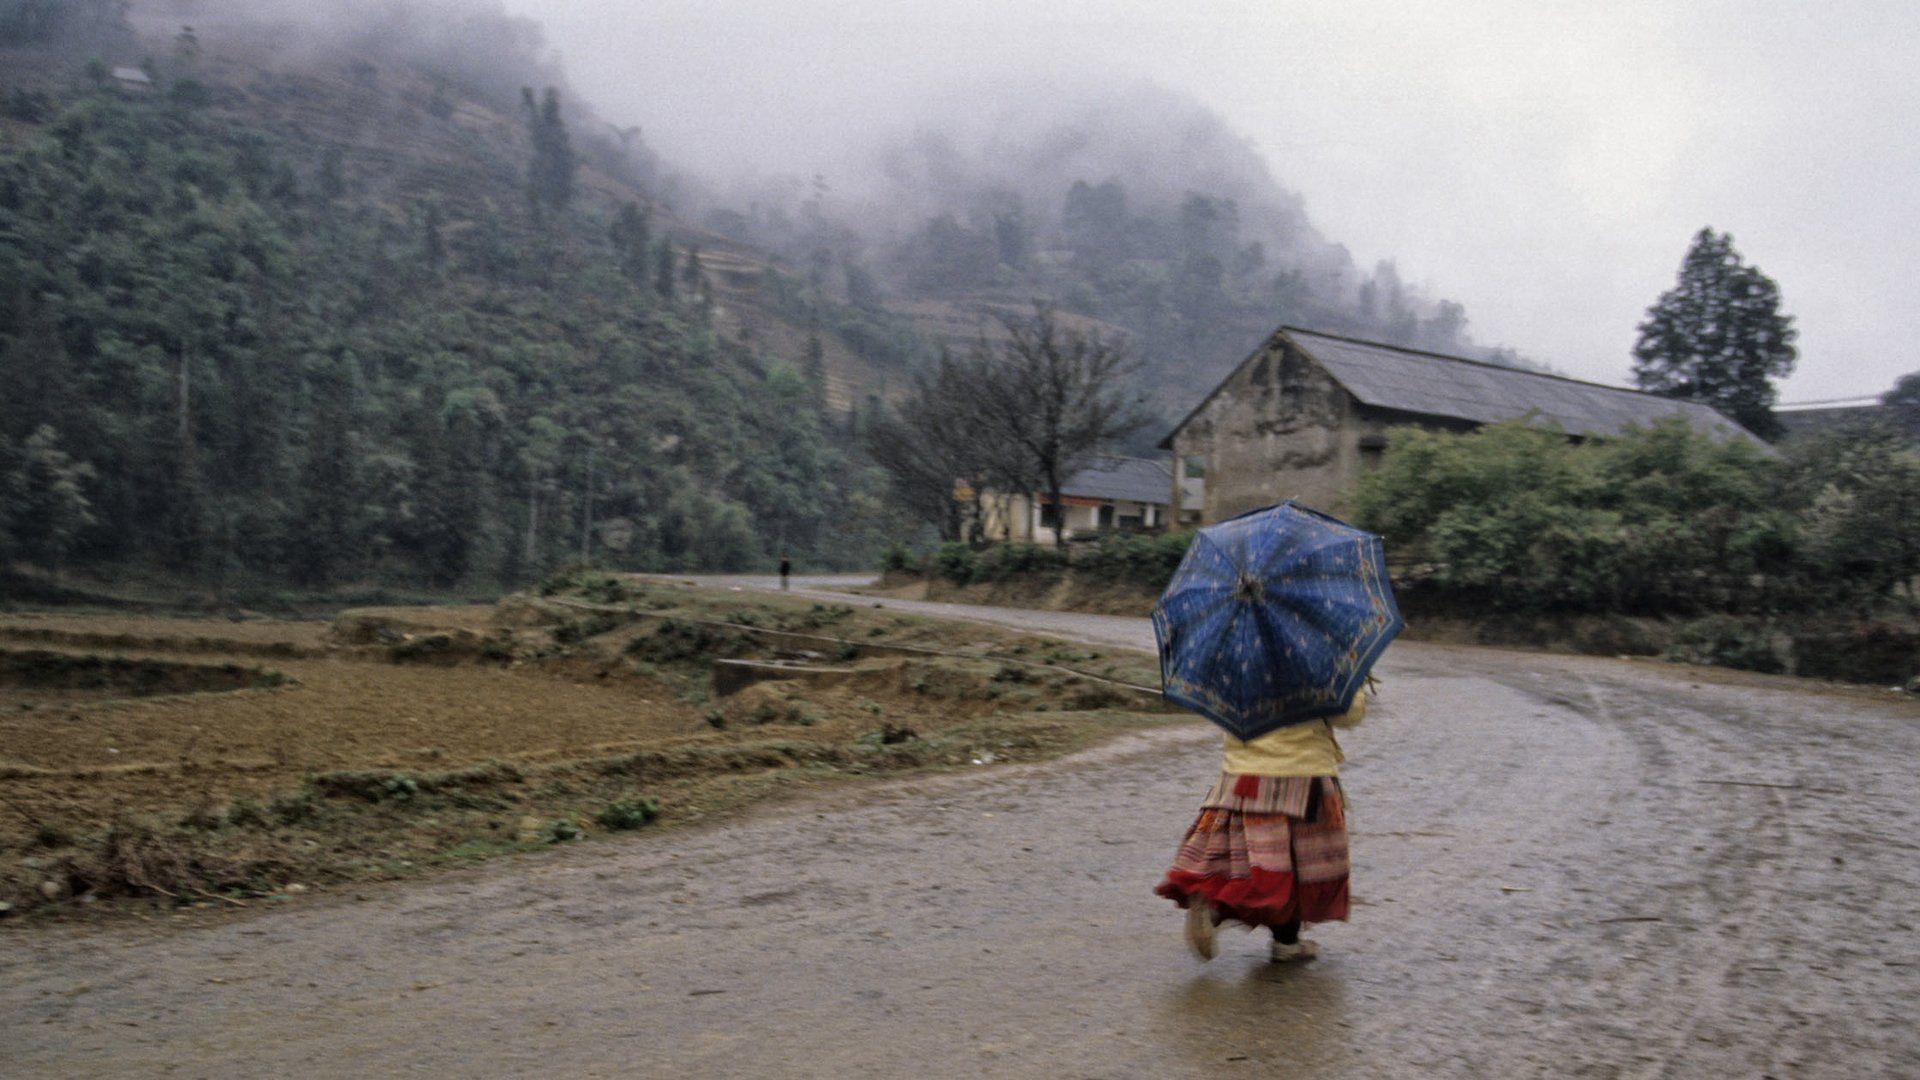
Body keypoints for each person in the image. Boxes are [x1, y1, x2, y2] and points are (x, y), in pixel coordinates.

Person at [1155, 687, 1367, 963]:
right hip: (1303, 774)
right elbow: (1348, 713)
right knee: (1297, 866)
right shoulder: (1318, 669)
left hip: (1243, 772)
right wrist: (1355, 690)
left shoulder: (1238, 668)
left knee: (1245, 857)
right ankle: (1286, 942)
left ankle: (1214, 907)